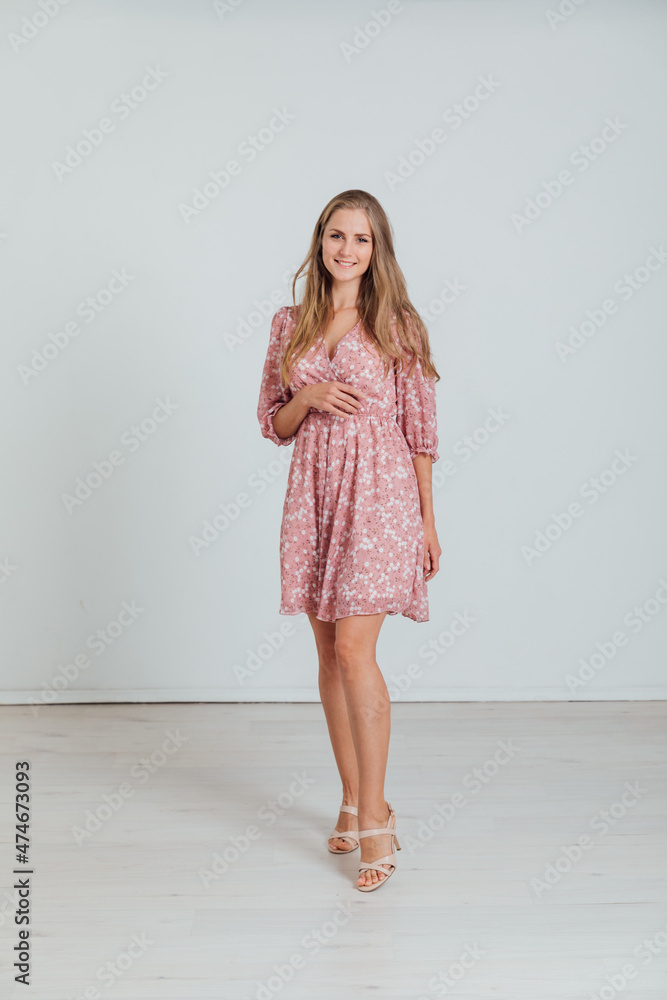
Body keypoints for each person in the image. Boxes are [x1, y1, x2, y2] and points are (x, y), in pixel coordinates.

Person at [256, 189, 441, 892]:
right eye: (337, 235)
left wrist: (427, 521)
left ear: (376, 249)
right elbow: (273, 423)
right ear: (320, 240)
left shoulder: (398, 324)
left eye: (361, 239)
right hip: (313, 496)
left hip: (380, 499)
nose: (347, 249)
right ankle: (349, 794)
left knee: (356, 651)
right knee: (330, 656)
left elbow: (420, 431)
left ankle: (376, 816)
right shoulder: (290, 322)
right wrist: (305, 398)